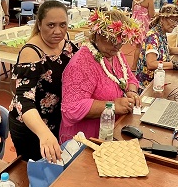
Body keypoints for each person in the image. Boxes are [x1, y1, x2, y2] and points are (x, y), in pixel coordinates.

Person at [9, 1, 77, 163]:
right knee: (34, 175)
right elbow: (23, 99)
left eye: (63, 25)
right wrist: (44, 134)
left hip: (56, 120)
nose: (58, 31)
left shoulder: (64, 41)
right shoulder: (31, 52)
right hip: (32, 128)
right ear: (39, 24)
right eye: (51, 25)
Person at [60, 10, 142, 141]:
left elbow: (129, 77)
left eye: (122, 40)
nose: (118, 45)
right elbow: (71, 109)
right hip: (85, 139)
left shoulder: (116, 55)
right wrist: (113, 105)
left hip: (111, 131)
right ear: (98, 35)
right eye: (113, 40)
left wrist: (131, 91)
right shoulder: (82, 63)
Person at [135, 4, 178, 87]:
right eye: (173, 20)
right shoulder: (152, 37)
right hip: (148, 85)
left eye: (177, 21)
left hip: (159, 79)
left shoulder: (161, 33)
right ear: (162, 19)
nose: (175, 24)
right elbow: (151, 64)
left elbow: (168, 50)